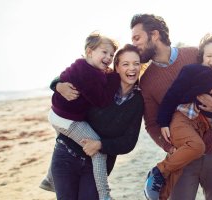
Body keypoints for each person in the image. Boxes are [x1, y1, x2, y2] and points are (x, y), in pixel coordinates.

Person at [130, 14, 212, 200]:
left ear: (154, 35)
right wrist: (170, 148)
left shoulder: (196, 54)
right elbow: (152, 124)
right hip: (184, 159)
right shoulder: (147, 81)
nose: (134, 44)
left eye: (137, 38)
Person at [46, 43, 144, 200]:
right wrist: (57, 85)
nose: (131, 68)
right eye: (125, 64)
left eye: (136, 64)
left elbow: (128, 142)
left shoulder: (138, 101)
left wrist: (101, 145)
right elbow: (73, 74)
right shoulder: (102, 81)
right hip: (66, 155)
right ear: (116, 67)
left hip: (96, 165)